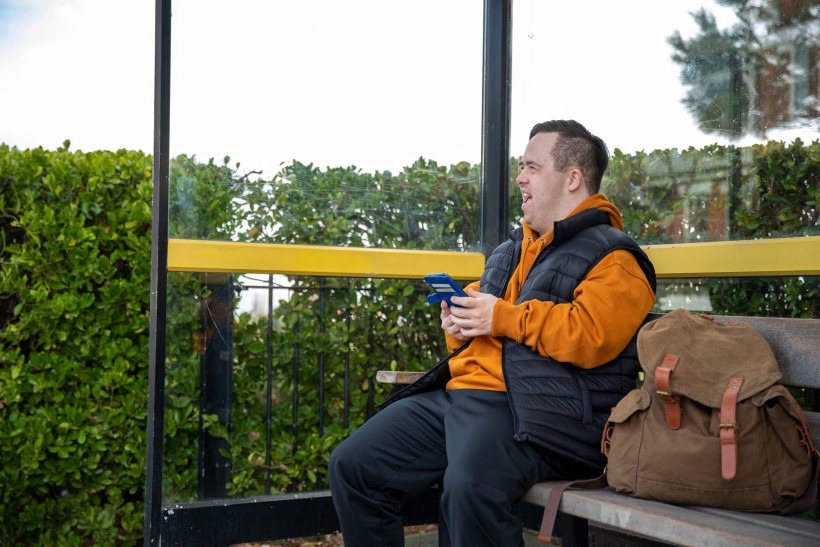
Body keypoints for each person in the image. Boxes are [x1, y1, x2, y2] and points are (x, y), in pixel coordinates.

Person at [328, 120, 657, 546]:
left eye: (532, 168)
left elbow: (591, 337)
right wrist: (460, 325)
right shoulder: (510, 250)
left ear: (573, 178)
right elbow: (486, 326)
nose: (520, 177)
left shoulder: (615, 257)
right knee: (354, 466)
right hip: (465, 397)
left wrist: (501, 317)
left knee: (469, 489)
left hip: (539, 413)